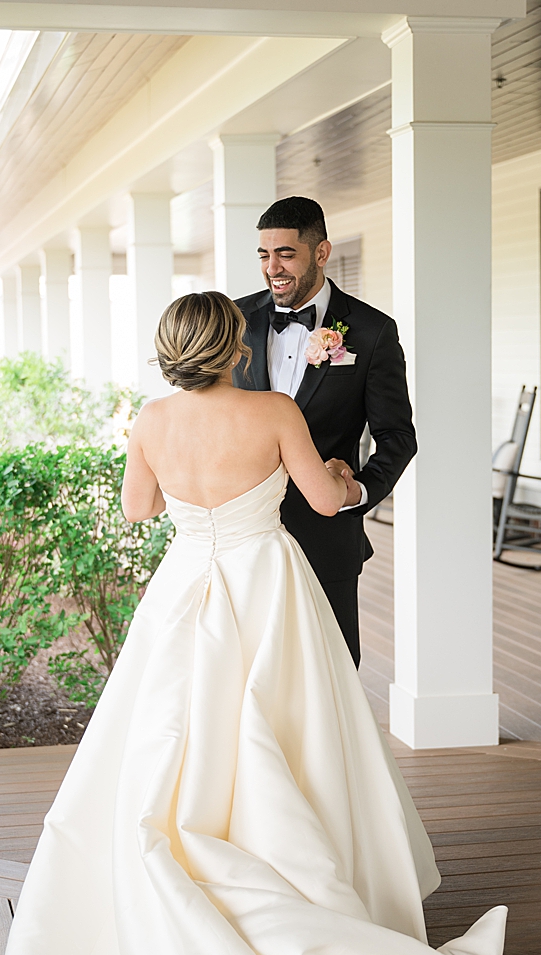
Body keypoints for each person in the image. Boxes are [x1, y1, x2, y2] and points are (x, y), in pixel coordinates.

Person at [0, 292, 541, 955]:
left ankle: (182, 886)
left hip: (184, 588)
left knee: (171, 737)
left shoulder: (149, 421)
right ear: (231, 345)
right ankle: (308, 884)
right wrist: (346, 477)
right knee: (294, 737)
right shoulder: (275, 409)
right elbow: (323, 499)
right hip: (267, 586)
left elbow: (139, 508)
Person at [233, 195, 414, 665]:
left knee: (330, 676)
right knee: (249, 673)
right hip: (244, 536)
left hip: (326, 538)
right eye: (263, 255)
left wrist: (356, 492)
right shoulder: (234, 321)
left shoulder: (372, 332)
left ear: (321, 252)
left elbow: (397, 436)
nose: (272, 268)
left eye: (286, 254)